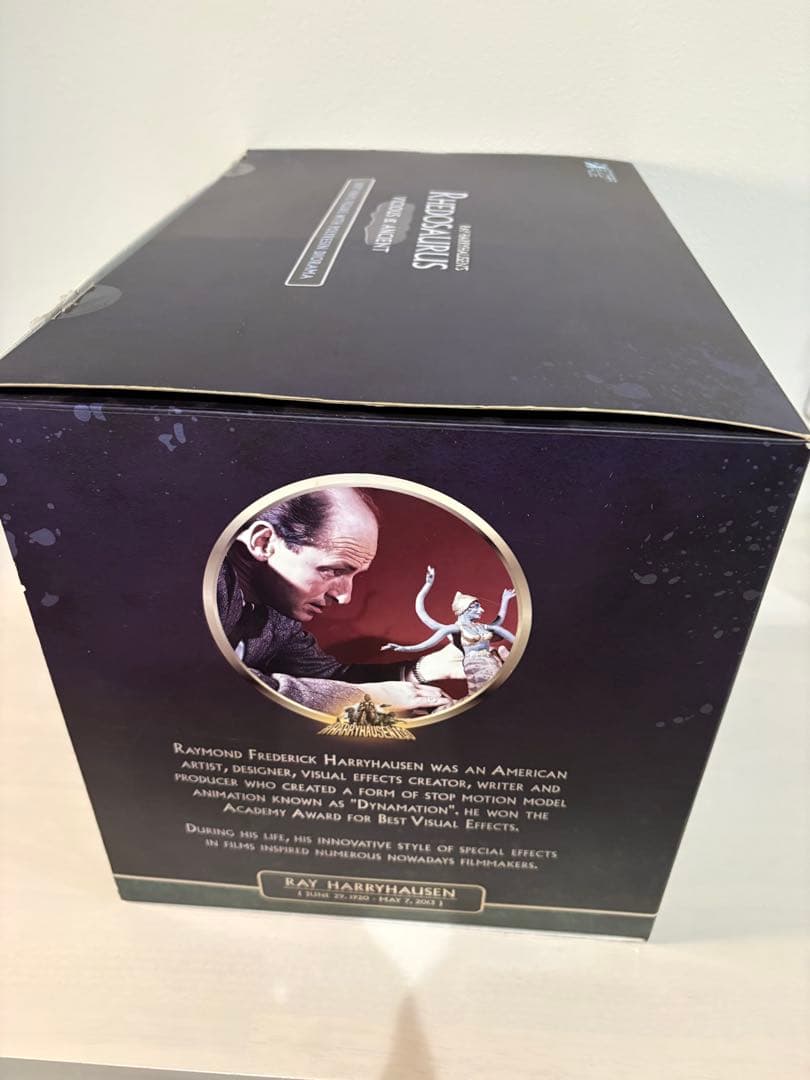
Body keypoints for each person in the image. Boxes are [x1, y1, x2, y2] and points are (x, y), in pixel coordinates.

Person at [217, 486, 461, 714]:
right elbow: (216, 682)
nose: (344, 597)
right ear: (264, 542)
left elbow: (328, 682)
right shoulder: (211, 580)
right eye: (334, 570)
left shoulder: (278, 618)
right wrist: (365, 698)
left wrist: (428, 668)